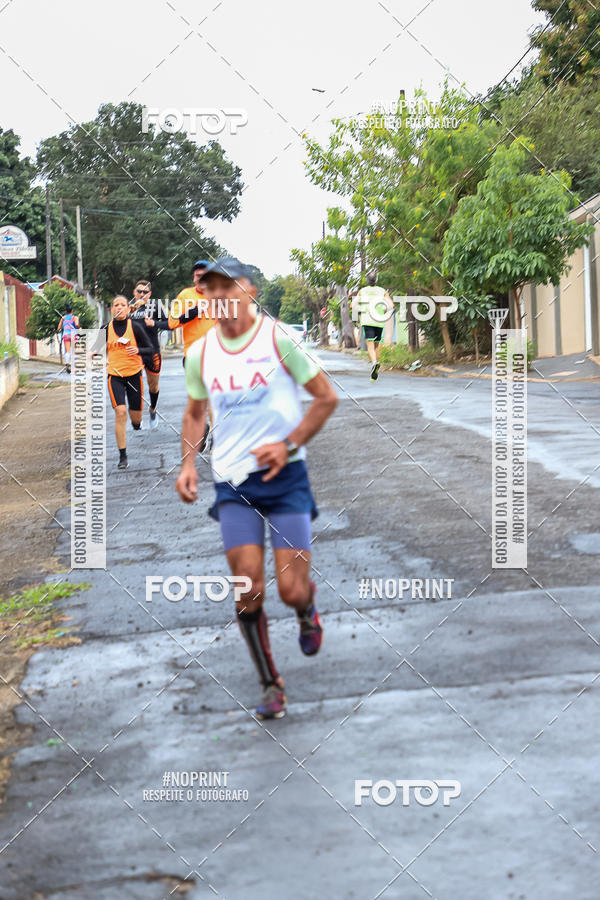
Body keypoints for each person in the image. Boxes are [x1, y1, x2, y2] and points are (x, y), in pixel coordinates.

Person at [175, 257, 338, 719]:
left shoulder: (277, 339)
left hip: (285, 479)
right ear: (204, 297)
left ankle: (307, 610)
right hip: (232, 482)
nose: (221, 296)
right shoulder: (200, 354)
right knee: (247, 588)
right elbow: (194, 411)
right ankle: (271, 684)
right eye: (212, 288)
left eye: (229, 286)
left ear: (248, 291)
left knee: (290, 589)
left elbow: (326, 397)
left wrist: (288, 445)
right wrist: (188, 462)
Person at [105, 295, 154, 469]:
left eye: (122, 305)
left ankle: (136, 424)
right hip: (114, 376)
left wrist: (138, 350)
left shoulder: (136, 327)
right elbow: (92, 352)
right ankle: (122, 456)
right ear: (111, 309)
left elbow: (150, 349)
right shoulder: (105, 329)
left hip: (134, 375)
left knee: (136, 417)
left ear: (127, 309)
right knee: (120, 412)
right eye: (116, 305)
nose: (119, 307)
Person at [129, 279, 169, 429]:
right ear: (134, 292)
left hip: (152, 351)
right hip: (134, 353)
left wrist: (155, 324)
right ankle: (136, 418)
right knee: (135, 385)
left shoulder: (156, 306)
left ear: (150, 294)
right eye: (139, 291)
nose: (142, 294)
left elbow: (169, 324)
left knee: (153, 386)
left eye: (145, 292)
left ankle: (152, 409)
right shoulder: (129, 308)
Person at [168, 260, 216, 363]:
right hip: (192, 355)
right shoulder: (185, 295)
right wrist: (195, 310)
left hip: (215, 355)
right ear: (194, 278)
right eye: (198, 276)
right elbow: (172, 323)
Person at [354, 271, 393, 381]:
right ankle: (377, 366)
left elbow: (353, 305)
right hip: (379, 321)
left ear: (367, 281)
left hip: (367, 321)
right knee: (376, 346)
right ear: (376, 280)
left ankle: (374, 363)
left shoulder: (362, 291)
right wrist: (383, 310)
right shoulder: (382, 291)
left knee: (370, 345)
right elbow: (390, 305)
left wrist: (362, 310)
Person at [58, 304, 79, 374]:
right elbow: (77, 324)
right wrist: (79, 327)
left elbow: (59, 328)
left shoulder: (63, 318)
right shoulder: (75, 317)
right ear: (72, 310)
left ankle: (67, 364)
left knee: (67, 351)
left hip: (66, 335)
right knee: (74, 351)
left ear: (65, 311)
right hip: (73, 334)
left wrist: (63, 322)